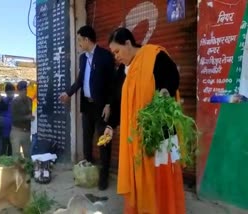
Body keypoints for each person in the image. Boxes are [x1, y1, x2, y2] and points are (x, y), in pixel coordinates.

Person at [106, 27, 185, 213]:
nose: (116, 56)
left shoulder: (154, 55)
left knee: (160, 175)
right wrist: (111, 125)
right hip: (136, 136)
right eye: (113, 53)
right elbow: (119, 101)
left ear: (128, 43)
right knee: (140, 175)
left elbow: (172, 75)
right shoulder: (122, 71)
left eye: (117, 51)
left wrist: (166, 91)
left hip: (159, 130)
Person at [59, 25, 115, 190]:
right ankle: (88, 169)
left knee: (104, 141)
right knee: (86, 139)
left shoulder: (105, 56)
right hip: (87, 106)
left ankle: (104, 175)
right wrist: (68, 94)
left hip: (101, 107)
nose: (78, 43)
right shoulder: (83, 58)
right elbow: (80, 80)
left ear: (86, 39)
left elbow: (112, 84)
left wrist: (109, 104)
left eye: (79, 40)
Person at [10, 81, 33, 158]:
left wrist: (31, 117)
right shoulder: (15, 102)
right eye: (22, 90)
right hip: (17, 131)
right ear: (19, 91)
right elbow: (14, 118)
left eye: (25, 89)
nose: (24, 91)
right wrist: (27, 117)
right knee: (16, 156)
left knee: (28, 156)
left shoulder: (29, 100)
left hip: (26, 131)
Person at [1, 82, 15, 156]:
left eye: (11, 91)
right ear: (6, 92)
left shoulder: (16, 101)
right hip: (4, 129)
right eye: (8, 91)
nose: (10, 93)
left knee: (11, 149)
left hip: (13, 129)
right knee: (3, 148)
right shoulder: (2, 100)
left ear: (14, 91)